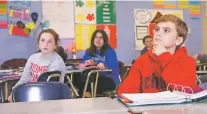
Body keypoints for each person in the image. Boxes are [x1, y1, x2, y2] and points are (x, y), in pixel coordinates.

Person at [117, 14, 196, 95]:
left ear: (178, 40)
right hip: (147, 107)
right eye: (157, 29)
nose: (158, 34)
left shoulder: (188, 62)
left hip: (178, 108)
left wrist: (164, 55)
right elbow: (124, 93)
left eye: (166, 30)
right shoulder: (142, 60)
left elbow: (184, 91)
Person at [8, 29, 66, 102]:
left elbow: (48, 88)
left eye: (50, 41)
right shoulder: (33, 57)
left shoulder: (57, 61)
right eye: (43, 40)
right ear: (38, 43)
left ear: (55, 45)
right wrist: (13, 92)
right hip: (30, 95)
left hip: (49, 98)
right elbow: (24, 79)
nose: (45, 44)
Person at [75, 29, 120, 97]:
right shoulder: (89, 51)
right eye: (96, 37)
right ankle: (84, 99)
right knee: (76, 79)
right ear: (93, 39)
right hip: (92, 78)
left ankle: (86, 99)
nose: (98, 39)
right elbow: (82, 64)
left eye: (101, 38)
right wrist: (86, 63)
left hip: (109, 79)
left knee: (86, 83)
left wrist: (102, 65)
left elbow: (113, 68)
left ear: (104, 40)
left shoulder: (110, 51)